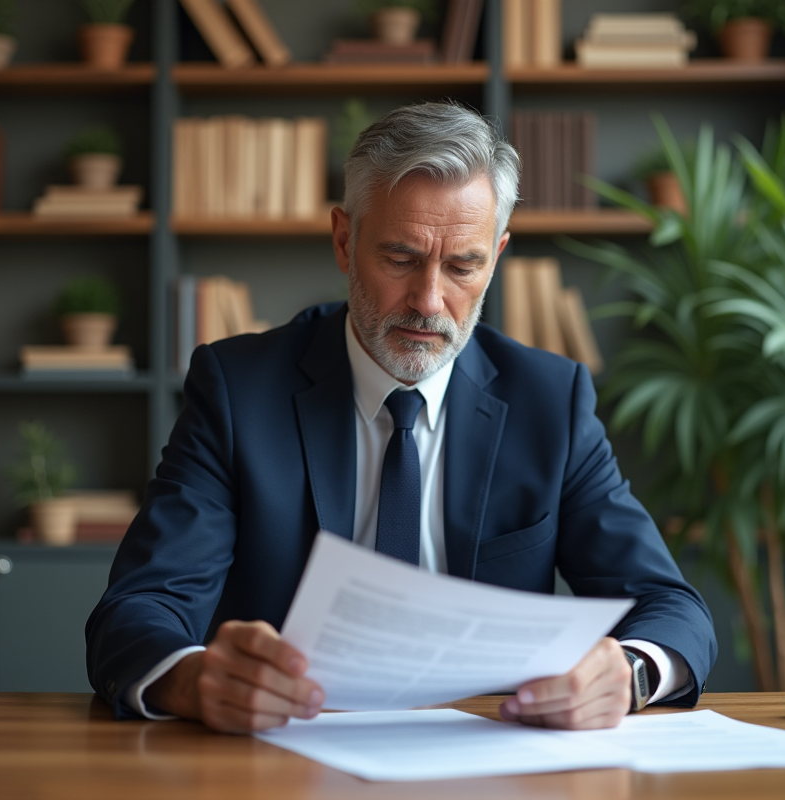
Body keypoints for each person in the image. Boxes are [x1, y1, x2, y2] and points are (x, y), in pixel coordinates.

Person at [86, 102, 716, 734]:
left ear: (496, 256)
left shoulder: (550, 401)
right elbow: (138, 609)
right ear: (344, 240)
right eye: (400, 258)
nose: (428, 300)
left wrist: (629, 672)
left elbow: (671, 607)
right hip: (285, 755)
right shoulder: (238, 391)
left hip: (490, 760)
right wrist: (192, 678)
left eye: (463, 266)